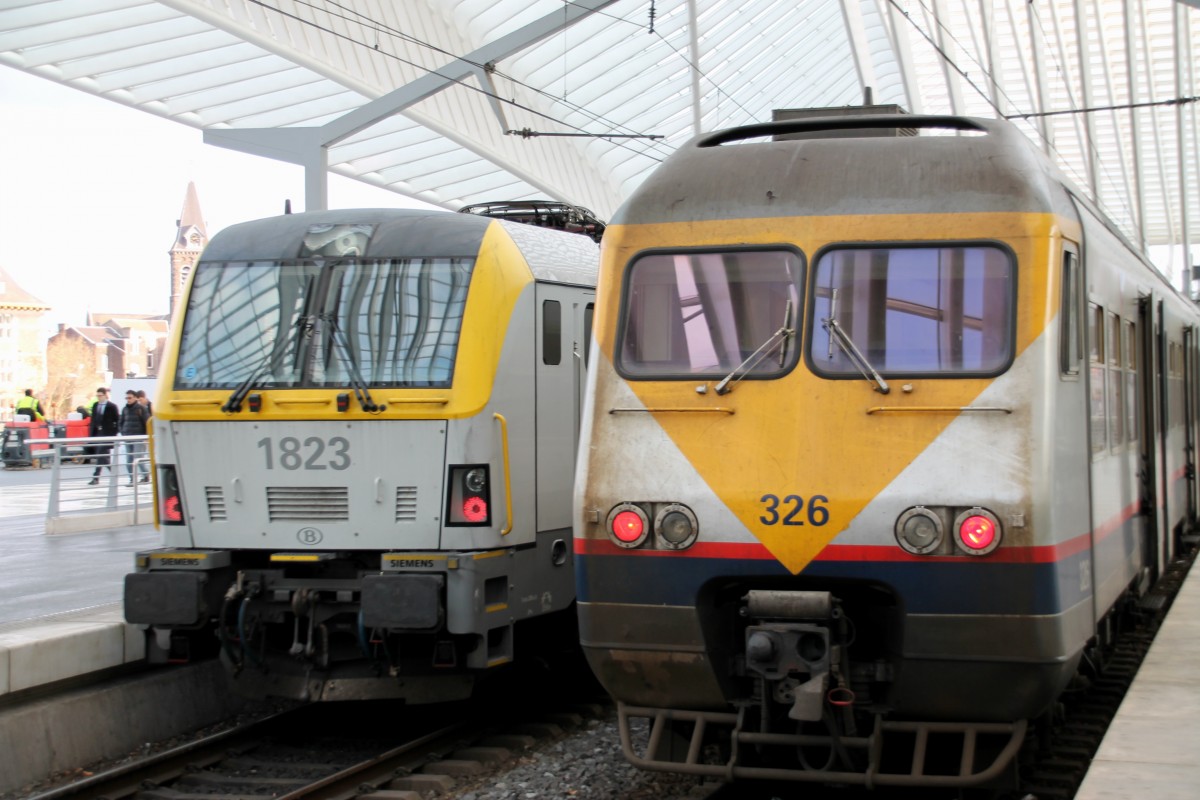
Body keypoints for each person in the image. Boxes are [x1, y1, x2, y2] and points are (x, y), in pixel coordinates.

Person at [87, 388, 120, 484]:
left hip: (107, 434)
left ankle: (96, 477)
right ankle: (113, 471)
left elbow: (117, 420)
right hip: (97, 433)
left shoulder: (112, 406)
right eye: (97, 396)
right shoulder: (95, 405)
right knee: (102, 456)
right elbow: (93, 419)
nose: (99, 398)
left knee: (101, 454)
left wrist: (114, 432)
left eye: (100, 395)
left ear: (105, 395)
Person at [119, 389, 150, 484]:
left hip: (139, 438)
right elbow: (121, 422)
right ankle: (132, 479)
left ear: (135, 398)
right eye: (127, 398)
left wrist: (146, 437)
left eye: (130, 398)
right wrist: (123, 432)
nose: (128, 400)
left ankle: (145, 475)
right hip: (127, 437)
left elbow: (147, 422)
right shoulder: (125, 409)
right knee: (129, 459)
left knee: (138, 457)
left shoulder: (141, 409)